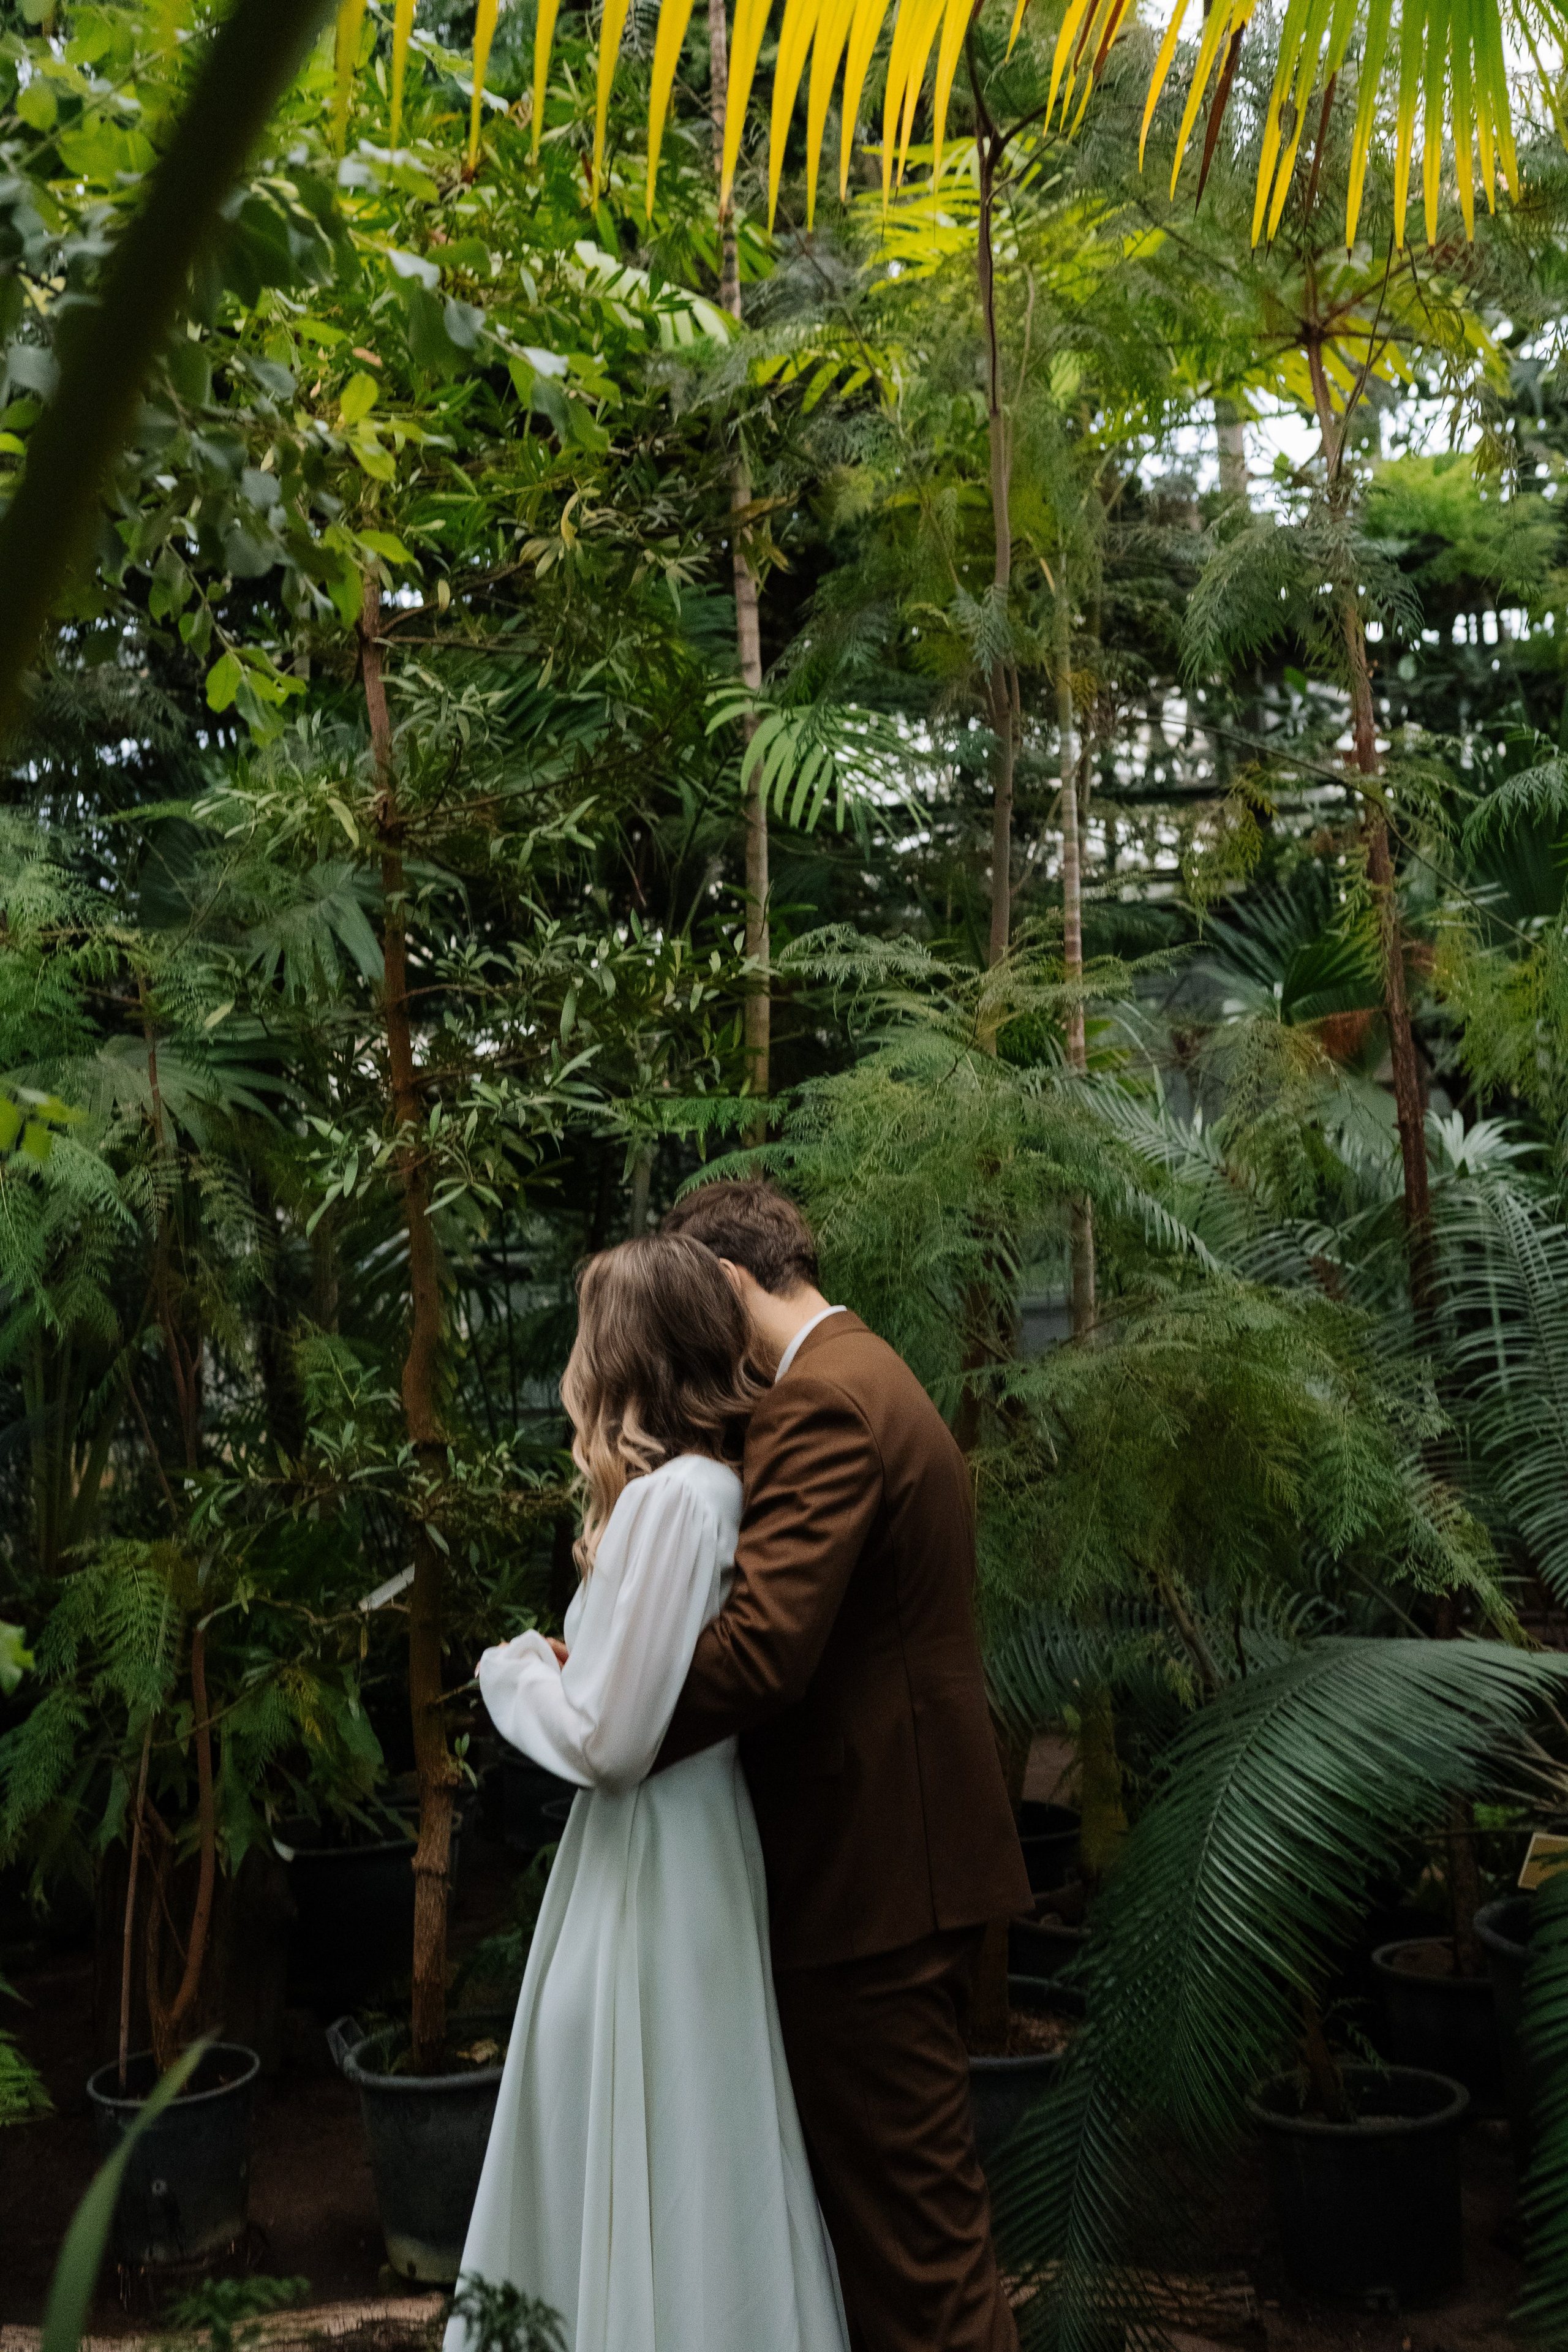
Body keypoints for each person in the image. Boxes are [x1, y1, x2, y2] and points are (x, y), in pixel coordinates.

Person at [447, 1234, 850, 2352]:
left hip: (658, 1852)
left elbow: (615, 1742)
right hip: (657, 1850)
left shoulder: (681, 1498)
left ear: (621, 1358)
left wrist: (514, 1671)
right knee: (665, 2119)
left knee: (653, 2109)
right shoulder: (692, 1493)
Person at [656, 1179, 1032, 2352]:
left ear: (725, 1282)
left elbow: (766, 1651)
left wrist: (598, 1712)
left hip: (872, 1887)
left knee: (918, 2265)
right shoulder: (870, 1367)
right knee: (908, 2238)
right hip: (902, 1870)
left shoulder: (820, 1402)